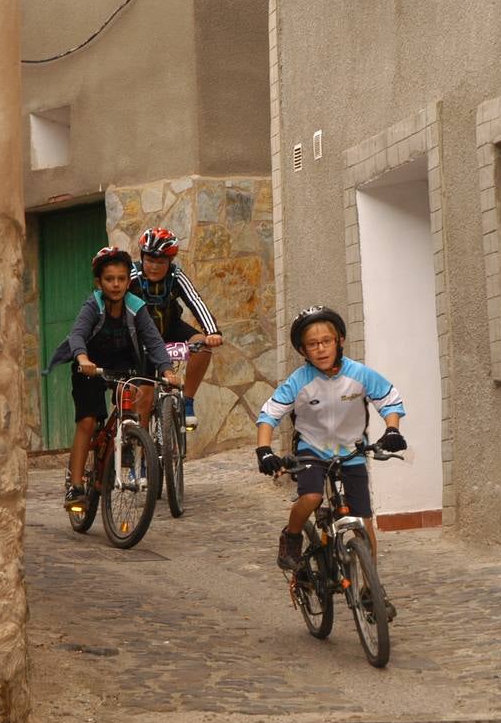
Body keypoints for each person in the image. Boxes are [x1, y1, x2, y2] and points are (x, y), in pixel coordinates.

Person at [254, 306, 407, 616]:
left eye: (327, 341)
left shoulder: (359, 374)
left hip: (350, 451)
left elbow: (390, 400)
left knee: (363, 522)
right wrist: (264, 450)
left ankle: (370, 588)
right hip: (313, 449)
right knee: (310, 496)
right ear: (303, 350)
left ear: (340, 341)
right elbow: (269, 414)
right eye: (312, 344)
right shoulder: (299, 381)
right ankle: (293, 536)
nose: (321, 348)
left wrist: (392, 429)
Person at [43, 247, 179, 506]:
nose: (116, 285)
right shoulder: (93, 306)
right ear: (99, 282)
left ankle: (124, 446)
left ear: (129, 281)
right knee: (88, 420)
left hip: (123, 365)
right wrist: (82, 359)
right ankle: (75, 486)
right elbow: (77, 335)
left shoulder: (136, 307)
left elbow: (154, 341)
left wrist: (167, 371)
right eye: (109, 279)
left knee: (136, 404)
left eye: (121, 279)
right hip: (90, 366)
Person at [130, 227, 224, 428]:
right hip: (142, 338)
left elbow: (195, 301)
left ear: (170, 262)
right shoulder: (132, 275)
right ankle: (146, 454)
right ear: (142, 258)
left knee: (202, 345)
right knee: (143, 402)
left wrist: (212, 332)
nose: (154, 267)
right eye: (150, 260)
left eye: (161, 262)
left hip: (171, 327)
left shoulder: (176, 276)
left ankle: (187, 401)